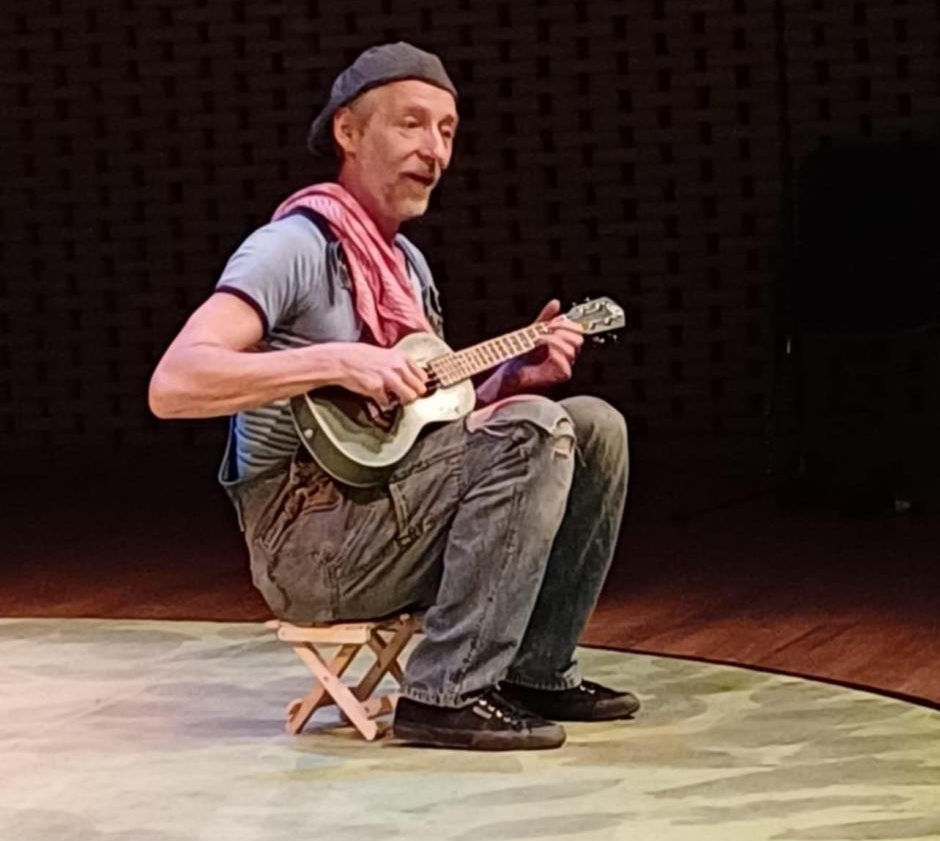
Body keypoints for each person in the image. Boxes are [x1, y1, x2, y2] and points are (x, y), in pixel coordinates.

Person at [148, 42, 637, 750]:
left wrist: (509, 384)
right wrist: (334, 360)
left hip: (388, 505)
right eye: (412, 124)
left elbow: (424, 425)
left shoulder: (405, 265)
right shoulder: (293, 247)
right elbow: (175, 383)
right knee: (534, 428)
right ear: (348, 132)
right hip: (308, 544)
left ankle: (535, 668)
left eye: (447, 132)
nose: (434, 150)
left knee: (592, 425)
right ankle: (446, 693)